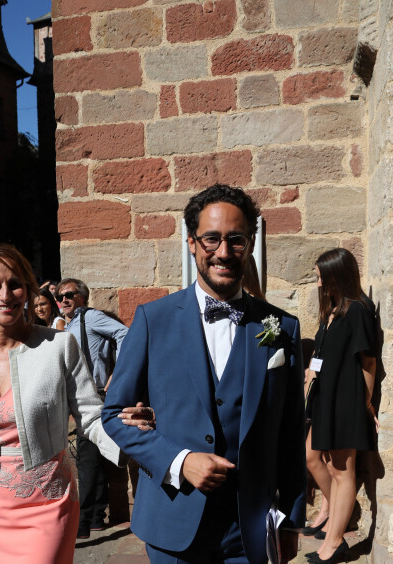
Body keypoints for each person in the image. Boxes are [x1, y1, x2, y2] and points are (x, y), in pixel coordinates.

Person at [102, 184, 306, 564]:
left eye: (236, 239)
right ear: (192, 243)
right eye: (211, 239)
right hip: (172, 523)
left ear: (251, 242)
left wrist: (291, 520)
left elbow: (292, 431)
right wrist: (180, 461)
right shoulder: (152, 319)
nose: (224, 253)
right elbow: (114, 415)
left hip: (250, 529)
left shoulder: (283, 327)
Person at [0, 243, 123, 563]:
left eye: (15, 284)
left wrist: (130, 439)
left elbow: (90, 417)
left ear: (28, 290)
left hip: (48, 505)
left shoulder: (58, 346)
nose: (6, 294)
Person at [304, 249, 378, 564]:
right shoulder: (333, 309)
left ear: (337, 276)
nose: (318, 282)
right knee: (328, 465)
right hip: (327, 397)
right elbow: (323, 352)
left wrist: (365, 403)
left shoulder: (358, 310)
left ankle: (335, 543)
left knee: (342, 471)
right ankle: (335, 530)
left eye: (322, 276)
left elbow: (369, 360)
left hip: (345, 399)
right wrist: (311, 373)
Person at [56, 278, 128, 538]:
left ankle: (84, 521)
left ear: (82, 297)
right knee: (94, 458)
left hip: (97, 395)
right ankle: (96, 516)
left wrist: (117, 373)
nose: (63, 299)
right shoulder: (73, 323)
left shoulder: (90, 317)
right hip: (85, 395)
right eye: (60, 296)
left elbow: (126, 334)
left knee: (86, 460)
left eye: (69, 294)